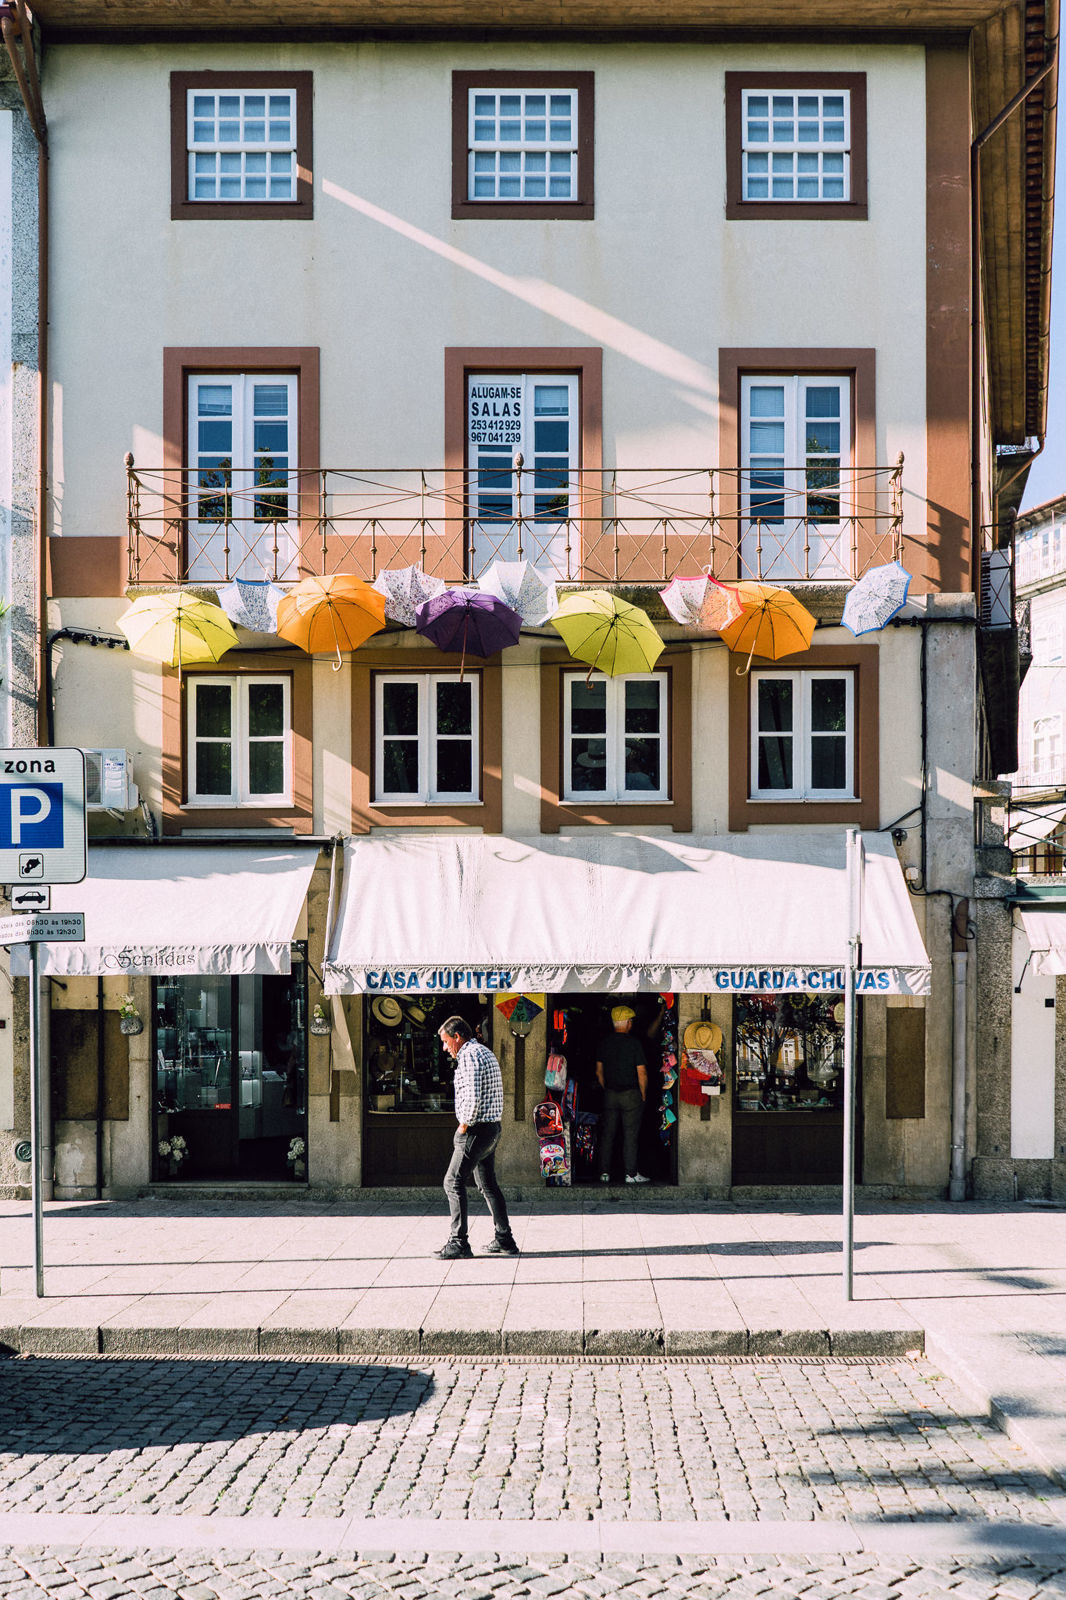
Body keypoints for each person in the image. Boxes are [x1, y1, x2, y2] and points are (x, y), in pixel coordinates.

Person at [436, 1015, 519, 1260]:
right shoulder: (483, 1052)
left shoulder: (470, 1056)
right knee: (488, 1184)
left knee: (452, 1182)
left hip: (475, 1129)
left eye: (446, 1041)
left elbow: (473, 1096)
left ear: (457, 1037)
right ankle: (505, 1238)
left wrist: (464, 1125)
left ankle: (458, 1242)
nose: (444, 1047)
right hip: (490, 1127)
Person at [596, 1004, 649, 1185]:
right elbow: (641, 1072)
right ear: (627, 1023)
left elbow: (599, 1071)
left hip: (610, 1094)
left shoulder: (604, 1042)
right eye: (631, 1021)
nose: (631, 1024)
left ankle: (604, 1173)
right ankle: (631, 1174)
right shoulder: (634, 1044)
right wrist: (643, 1094)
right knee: (630, 1135)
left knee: (607, 1134)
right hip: (631, 1094)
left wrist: (606, 1088)